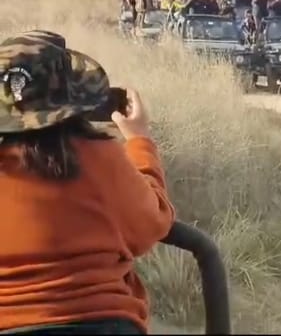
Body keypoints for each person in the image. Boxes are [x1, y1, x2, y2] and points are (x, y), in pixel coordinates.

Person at [0, 30, 175, 334]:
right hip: (101, 321)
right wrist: (139, 141)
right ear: (71, 95)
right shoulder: (99, 156)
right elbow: (152, 223)